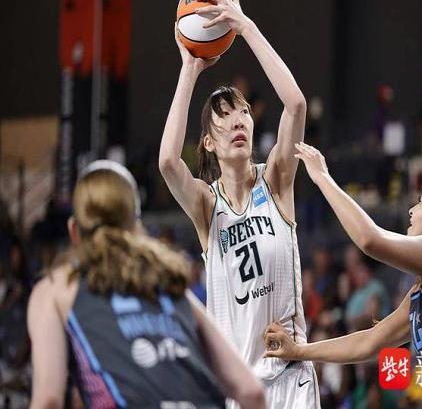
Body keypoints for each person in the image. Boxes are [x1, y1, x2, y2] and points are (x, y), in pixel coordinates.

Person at [159, 0, 319, 408]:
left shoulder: (277, 180)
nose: (238, 121)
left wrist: (245, 27)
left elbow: (296, 105)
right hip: (240, 391)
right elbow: (168, 162)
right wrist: (189, 69)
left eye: (243, 112)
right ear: (208, 143)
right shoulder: (206, 206)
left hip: (291, 380)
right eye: (225, 116)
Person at [264, 142, 422, 408]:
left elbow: (370, 239)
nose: (411, 210)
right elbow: (368, 343)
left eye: (420, 202)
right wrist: (299, 350)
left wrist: (322, 177)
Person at [28, 161, 265, 409]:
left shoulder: (54, 289)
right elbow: (251, 392)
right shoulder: (168, 282)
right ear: (136, 226)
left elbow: (48, 401)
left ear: (74, 231)